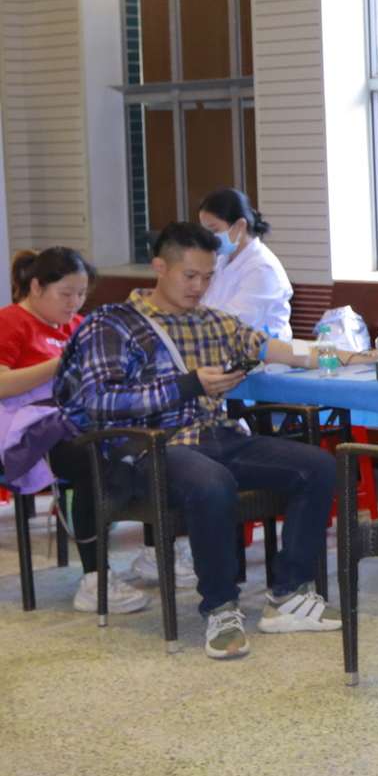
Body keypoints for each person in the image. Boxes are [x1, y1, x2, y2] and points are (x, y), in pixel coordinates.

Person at [49, 221, 347, 658]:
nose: (199, 287)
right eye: (190, 276)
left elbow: (273, 347)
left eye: (208, 277)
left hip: (219, 436)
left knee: (317, 465)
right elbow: (99, 401)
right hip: (155, 446)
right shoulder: (113, 325)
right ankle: (221, 607)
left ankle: (289, 594)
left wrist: (348, 355)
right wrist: (188, 385)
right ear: (159, 267)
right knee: (211, 483)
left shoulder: (214, 321)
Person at [0, 248, 105, 593]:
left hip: (73, 422)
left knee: (142, 445)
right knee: (94, 459)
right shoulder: (10, 321)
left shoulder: (78, 326)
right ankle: (96, 578)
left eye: (81, 293)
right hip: (26, 433)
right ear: (36, 286)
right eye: (66, 293)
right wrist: (58, 364)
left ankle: (153, 550)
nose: (74, 303)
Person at [198, 188, 293, 341]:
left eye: (214, 230)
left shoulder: (262, 268)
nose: (210, 237)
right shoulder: (221, 261)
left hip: (262, 351)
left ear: (240, 225)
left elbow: (235, 320)